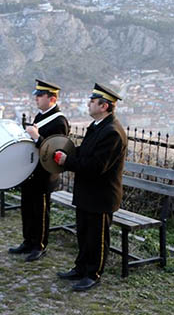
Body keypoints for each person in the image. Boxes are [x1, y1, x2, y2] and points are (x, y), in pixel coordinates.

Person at [55, 83, 127, 292]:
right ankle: (80, 268)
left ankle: (93, 274)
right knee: (84, 233)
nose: (88, 103)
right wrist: (64, 152)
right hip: (87, 193)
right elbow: (85, 151)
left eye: (92, 101)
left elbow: (96, 167)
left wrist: (67, 161)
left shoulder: (112, 132)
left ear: (104, 106)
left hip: (101, 195)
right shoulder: (97, 126)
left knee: (97, 238)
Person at [9, 79, 69, 262]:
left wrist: (37, 137)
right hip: (31, 171)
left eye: (40, 95)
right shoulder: (40, 116)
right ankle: (28, 241)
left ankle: (40, 245)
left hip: (45, 174)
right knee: (27, 208)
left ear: (52, 98)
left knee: (41, 211)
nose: (36, 98)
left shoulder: (59, 121)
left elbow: (57, 151)